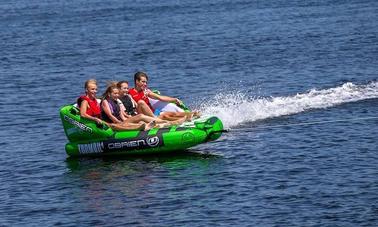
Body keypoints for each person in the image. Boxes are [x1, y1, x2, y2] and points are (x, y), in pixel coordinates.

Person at [128, 71, 200, 121]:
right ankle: (186, 118)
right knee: (165, 115)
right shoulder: (130, 93)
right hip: (145, 115)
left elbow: (160, 98)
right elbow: (134, 107)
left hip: (154, 112)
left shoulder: (146, 91)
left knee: (171, 113)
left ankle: (192, 114)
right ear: (137, 81)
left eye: (146, 82)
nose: (145, 84)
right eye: (143, 82)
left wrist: (174, 99)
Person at [117, 81, 186, 127]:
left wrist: (174, 99)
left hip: (138, 115)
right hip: (131, 118)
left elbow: (136, 106)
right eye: (124, 88)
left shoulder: (129, 96)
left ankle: (189, 116)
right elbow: (122, 115)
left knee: (166, 114)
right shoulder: (118, 100)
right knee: (143, 116)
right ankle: (170, 123)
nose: (126, 90)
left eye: (127, 88)